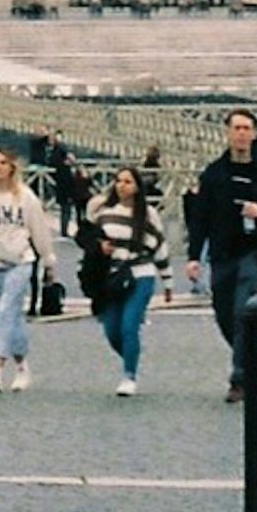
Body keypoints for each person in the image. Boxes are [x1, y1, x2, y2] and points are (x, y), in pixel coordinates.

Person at [185, 108, 257, 404]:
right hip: (221, 253)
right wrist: (194, 257)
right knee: (224, 314)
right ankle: (253, 359)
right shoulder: (214, 174)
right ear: (228, 133)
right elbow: (200, 218)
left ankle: (240, 377)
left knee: (242, 310)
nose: (242, 133)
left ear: (254, 133)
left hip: (252, 252)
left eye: (247, 128)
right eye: (237, 128)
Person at [0, 146, 58, 393]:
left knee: (7, 308)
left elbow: (39, 229)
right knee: (12, 316)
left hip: (20, 261)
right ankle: (22, 367)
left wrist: (48, 259)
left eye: (2, 162)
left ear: (11, 167)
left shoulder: (26, 197)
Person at [86, 168, 173, 397]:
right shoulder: (102, 211)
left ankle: (129, 375)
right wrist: (99, 247)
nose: (122, 185)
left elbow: (160, 247)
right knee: (112, 330)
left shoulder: (148, 214)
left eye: (128, 181)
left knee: (129, 326)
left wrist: (168, 280)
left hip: (140, 273)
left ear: (137, 187)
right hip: (111, 277)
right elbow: (87, 239)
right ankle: (131, 357)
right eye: (118, 181)